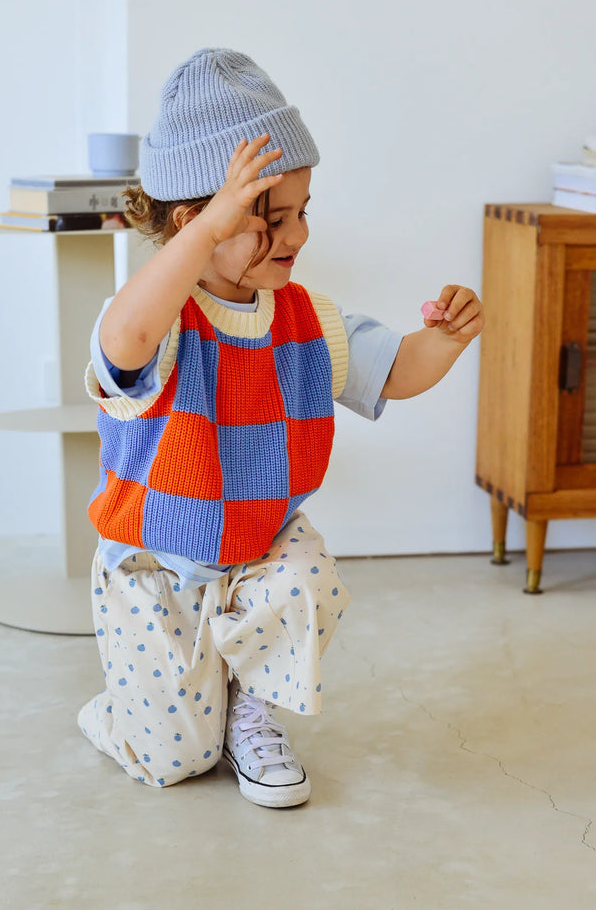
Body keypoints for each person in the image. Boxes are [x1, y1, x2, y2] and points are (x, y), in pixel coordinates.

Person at [77, 47, 483, 808]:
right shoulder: (153, 322)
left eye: (301, 212)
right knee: (174, 762)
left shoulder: (306, 317)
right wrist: (204, 236)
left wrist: (448, 340)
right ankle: (128, 717)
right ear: (191, 221)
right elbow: (124, 342)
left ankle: (250, 711)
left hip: (259, 542)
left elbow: (393, 369)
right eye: (268, 219)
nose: (296, 234)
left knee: (306, 575)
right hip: (154, 562)